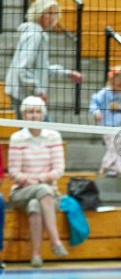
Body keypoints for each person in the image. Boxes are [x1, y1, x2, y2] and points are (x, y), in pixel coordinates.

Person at [7, 95, 68, 268]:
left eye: (37, 112)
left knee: (36, 204)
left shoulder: (53, 136)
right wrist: (36, 182)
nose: (34, 115)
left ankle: (36, 255)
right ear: (23, 115)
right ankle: (55, 241)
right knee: (43, 190)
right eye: (29, 112)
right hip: (21, 192)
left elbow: (59, 169)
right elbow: (14, 172)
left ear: (43, 114)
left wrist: (39, 180)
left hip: (49, 194)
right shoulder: (17, 138)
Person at [5, 0, 82, 117]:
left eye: (54, 14)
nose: (52, 17)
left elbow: (42, 69)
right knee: (41, 126)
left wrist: (67, 73)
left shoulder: (36, 33)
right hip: (25, 94)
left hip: (25, 92)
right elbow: (23, 68)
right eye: (49, 13)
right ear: (39, 13)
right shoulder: (35, 35)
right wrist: (39, 91)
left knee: (36, 127)